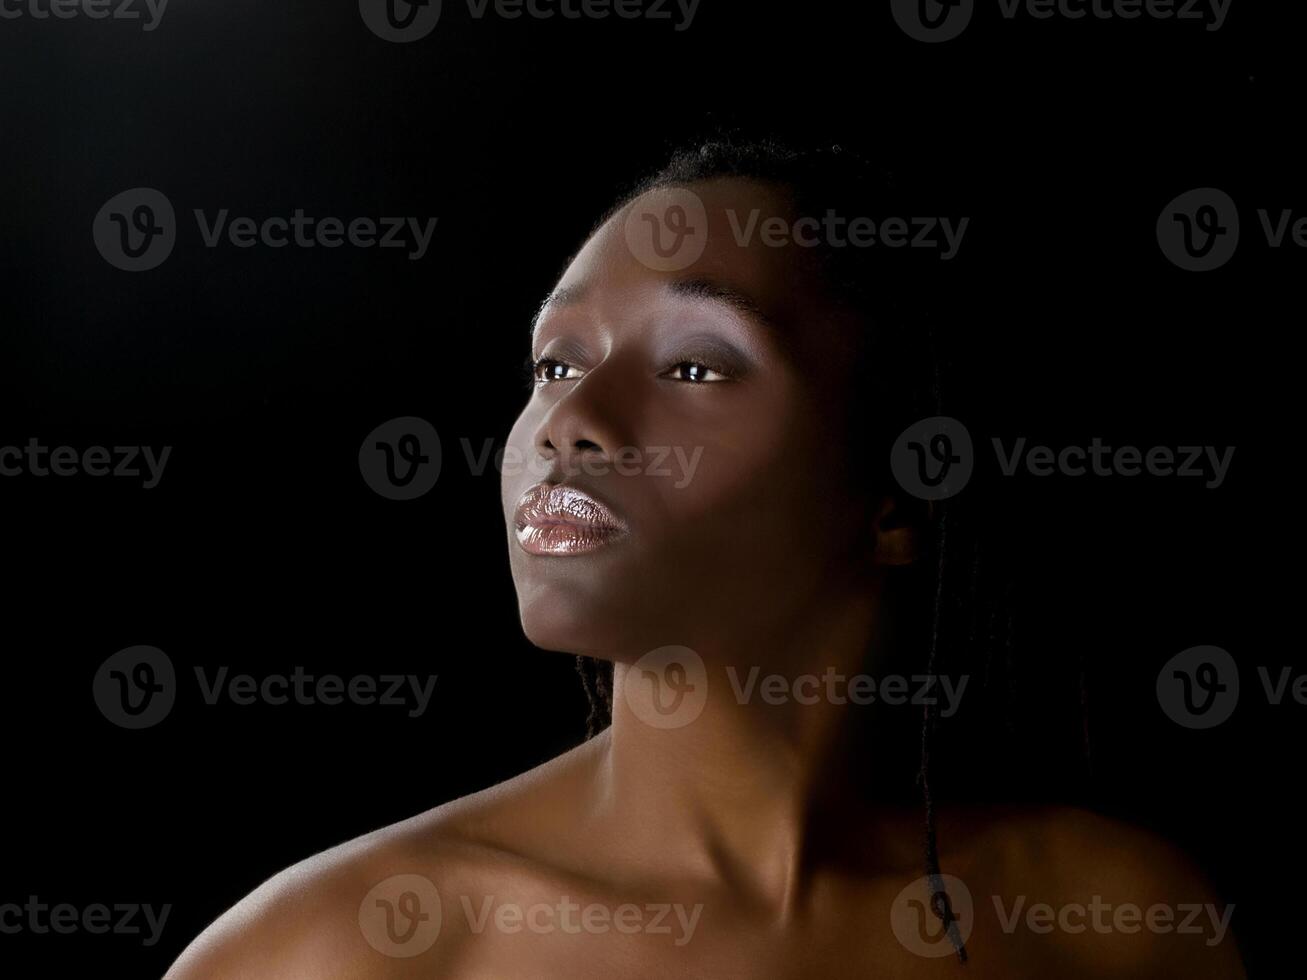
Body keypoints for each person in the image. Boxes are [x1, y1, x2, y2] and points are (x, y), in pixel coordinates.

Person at [164, 136, 1245, 978]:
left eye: (692, 366)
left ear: (894, 494)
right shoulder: (328, 950)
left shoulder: (1116, 924)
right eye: (551, 362)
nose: (569, 418)